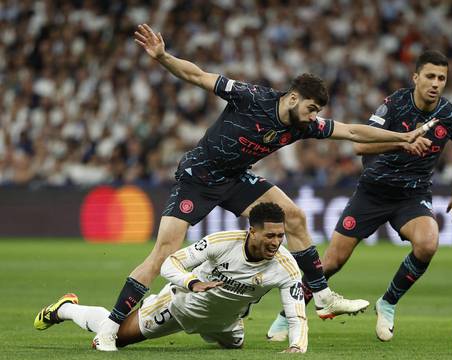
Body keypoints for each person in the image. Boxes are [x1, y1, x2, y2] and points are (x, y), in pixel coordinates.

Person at [93, 24, 429, 351]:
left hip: (236, 177)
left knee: (293, 216)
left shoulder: (302, 125)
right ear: (293, 98)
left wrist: (402, 138)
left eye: (317, 112)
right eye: (311, 109)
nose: (314, 117)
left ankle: (323, 296)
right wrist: (164, 57)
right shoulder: (251, 97)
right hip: (199, 176)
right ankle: (110, 328)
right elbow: (198, 76)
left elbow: (353, 132)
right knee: (163, 254)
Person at [266, 50, 452, 342]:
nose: (436, 83)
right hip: (372, 192)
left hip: (412, 196)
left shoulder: (450, 115)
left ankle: (387, 302)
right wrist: (402, 143)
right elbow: (360, 146)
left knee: (428, 244)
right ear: (416, 77)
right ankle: (288, 314)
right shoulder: (394, 105)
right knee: (332, 262)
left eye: (442, 78)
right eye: (430, 76)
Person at [35, 203, 308, 353]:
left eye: (280, 236)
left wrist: (296, 346)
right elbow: (170, 262)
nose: (276, 242)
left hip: (226, 323)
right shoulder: (221, 242)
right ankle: (66, 308)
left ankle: (224, 330)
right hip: (177, 307)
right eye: (270, 236)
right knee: (117, 336)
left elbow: (296, 315)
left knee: (235, 347)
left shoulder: (286, 267)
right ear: (252, 232)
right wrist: (191, 282)